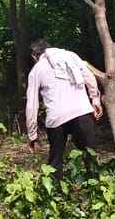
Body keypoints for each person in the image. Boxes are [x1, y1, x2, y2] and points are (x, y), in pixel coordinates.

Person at [25, 40, 103, 177]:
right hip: (82, 111)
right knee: (90, 156)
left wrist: (32, 134)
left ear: (34, 57)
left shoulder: (36, 70)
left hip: (57, 118)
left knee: (55, 161)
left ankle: (56, 188)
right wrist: (95, 100)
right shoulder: (71, 56)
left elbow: (32, 104)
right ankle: (95, 187)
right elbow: (89, 77)